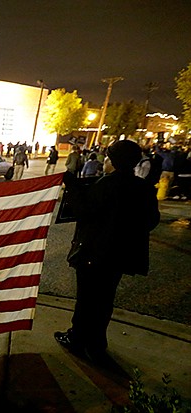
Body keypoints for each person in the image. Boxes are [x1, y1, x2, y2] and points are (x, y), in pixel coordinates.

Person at [54, 139, 159, 365]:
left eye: (109, 157)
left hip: (94, 254)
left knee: (86, 299)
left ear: (114, 160)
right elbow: (151, 221)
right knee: (104, 301)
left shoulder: (108, 185)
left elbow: (83, 211)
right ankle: (96, 344)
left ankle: (78, 339)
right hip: (120, 257)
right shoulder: (144, 189)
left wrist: (71, 185)